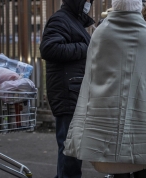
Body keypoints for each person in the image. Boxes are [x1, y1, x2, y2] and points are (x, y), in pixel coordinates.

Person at [62, 0, 146, 178]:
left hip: (107, 109)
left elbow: (93, 74)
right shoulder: (145, 33)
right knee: (141, 161)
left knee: (115, 165)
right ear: (137, 8)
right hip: (141, 109)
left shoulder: (101, 33)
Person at [39, 0, 94, 177]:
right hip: (67, 91)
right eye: (86, 1)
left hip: (74, 89)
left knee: (72, 145)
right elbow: (49, 48)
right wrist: (85, 47)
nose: (89, 4)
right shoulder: (60, 20)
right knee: (70, 146)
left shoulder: (73, 21)